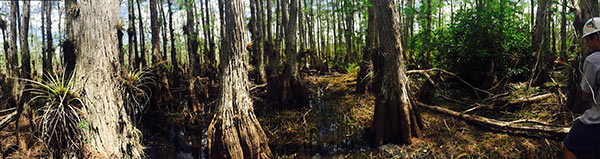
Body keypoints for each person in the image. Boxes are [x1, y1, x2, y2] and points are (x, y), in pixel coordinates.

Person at [564, 17, 600, 159]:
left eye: (588, 40)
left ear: (596, 37)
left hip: (597, 119)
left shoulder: (592, 60)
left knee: (570, 145)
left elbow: (586, 94)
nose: (586, 43)